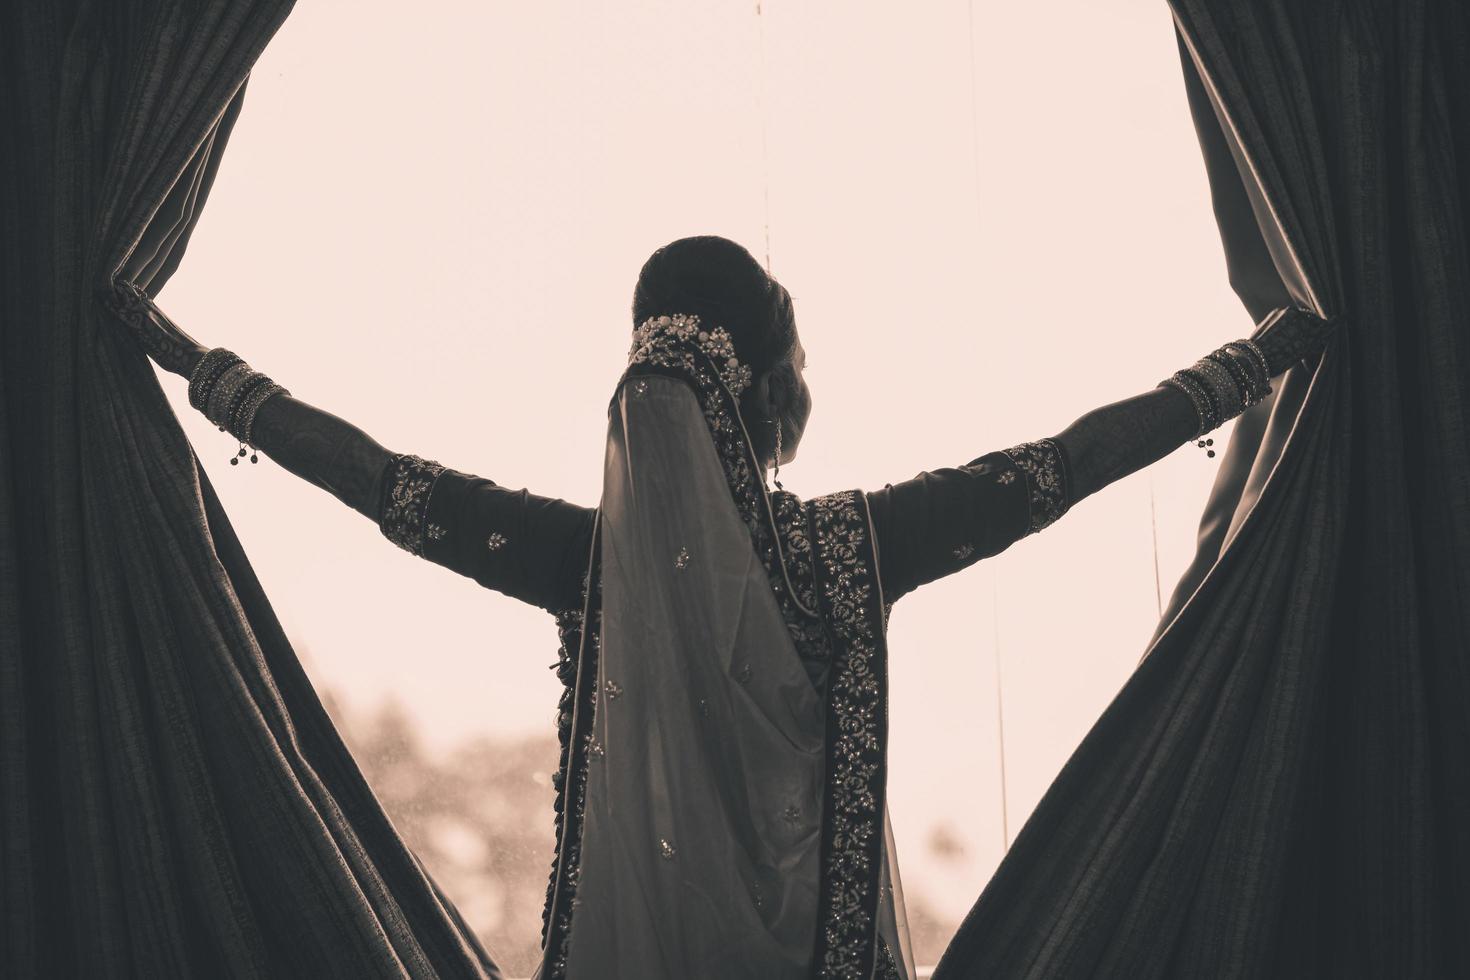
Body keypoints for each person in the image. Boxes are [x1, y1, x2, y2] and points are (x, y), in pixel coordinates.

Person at [107, 235, 1335, 980]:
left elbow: (384, 481)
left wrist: (194, 364)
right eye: (801, 360)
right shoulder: (860, 544)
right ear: (771, 386)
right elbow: (1063, 462)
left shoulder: (579, 562)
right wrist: (1253, 364)